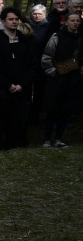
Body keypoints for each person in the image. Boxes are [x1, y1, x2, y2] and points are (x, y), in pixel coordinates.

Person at [0, 7, 34, 149]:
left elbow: (32, 65)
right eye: (11, 19)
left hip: (21, 90)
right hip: (0, 91)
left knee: (19, 121)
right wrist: (8, 85)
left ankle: (16, 145)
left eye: (16, 19)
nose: (14, 22)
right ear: (3, 21)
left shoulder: (26, 41)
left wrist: (22, 85)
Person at [40, 12, 81, 147]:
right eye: (72, 20)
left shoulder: (80, 38)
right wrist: (54, 73)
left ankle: (59, 139)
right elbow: (46, 57)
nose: (75, 23)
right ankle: (46, 139)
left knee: (65, 110)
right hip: (56, 79)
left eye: (77, 20)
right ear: (66, 22)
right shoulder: (57, 36)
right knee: (52, 110)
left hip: (73, 79)